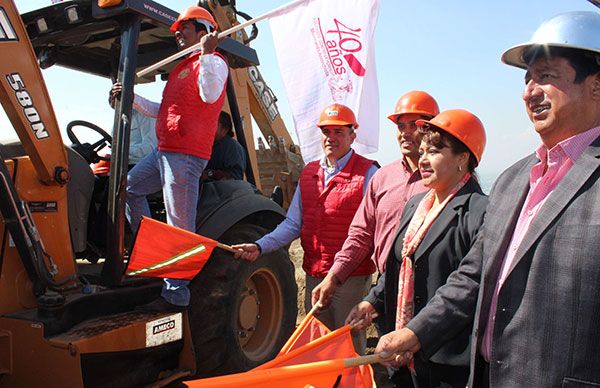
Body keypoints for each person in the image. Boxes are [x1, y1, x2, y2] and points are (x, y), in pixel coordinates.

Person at [374, 11, 600, 387]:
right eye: (527, 79)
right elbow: (473, 275)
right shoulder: (514, 180)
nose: (530, 90)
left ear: (596, 85)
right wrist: (416, 333)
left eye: (547, 76)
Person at [348, 109, 487, 387]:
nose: (422, 159)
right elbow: (398, 265)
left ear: (463, 158)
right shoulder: (417, 205)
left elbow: (466, 289)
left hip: (446, 360)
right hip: (402, 354)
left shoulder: (480, 212)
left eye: (434, 151)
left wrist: (415, 334)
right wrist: (372, 302)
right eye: (422, 151)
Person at [232, 103, 379, 353]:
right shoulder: (310, 173)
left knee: (349, 342)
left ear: (352, 135)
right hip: (315, 273)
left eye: (338, 132)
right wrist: (259, 246)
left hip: (350, 279)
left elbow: (372, 230)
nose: (331, 138)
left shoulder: (368, 173)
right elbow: (292, 224)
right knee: (318, 343)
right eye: (326, 132)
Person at [126, 6, 228, 312]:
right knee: (129, 188)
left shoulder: (215, 63)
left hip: (185, 154)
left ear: (203, 31)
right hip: (165, 149)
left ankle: (175, 295)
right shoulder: (182, 68)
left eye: (184, 28)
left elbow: (210, 96)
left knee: (180, 224)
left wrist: (208, 55)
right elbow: (165, 108)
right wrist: (129, 97)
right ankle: (154, 256)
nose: (178, 34)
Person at [311, 91, 437, 311]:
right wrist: (334, 275)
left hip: (432, 292)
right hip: (386, 288)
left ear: (433, 130)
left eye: (414, 126)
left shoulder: (442, 179)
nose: (406, 133)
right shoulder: (383, 178)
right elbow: (362, 235)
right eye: (401, 127)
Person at [108, 82, 157, 166]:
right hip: (122, 164)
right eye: (112, 97)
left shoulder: (145, 115)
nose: (114, 100)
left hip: (140, 164)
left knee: (129, 178)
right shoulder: (119, 120)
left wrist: (121, 149)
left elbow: (149, 149)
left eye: (117, 97)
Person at [202, 111, 246, 181]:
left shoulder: (231, 146)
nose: (208, 127)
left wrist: (210, 174)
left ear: (224, 129)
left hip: (222, 191)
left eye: (212, 123)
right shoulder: (208, 145)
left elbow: (235, 176)